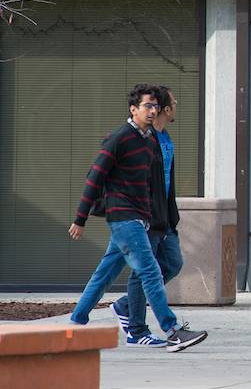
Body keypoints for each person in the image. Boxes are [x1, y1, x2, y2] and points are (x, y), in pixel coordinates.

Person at [67, 84, 208, 352]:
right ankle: (171, 329)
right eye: (147, 106)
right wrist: (80, 218)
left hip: (141, 219)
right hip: (123, 217)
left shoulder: (148, 141)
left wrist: (158, 218)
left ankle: (75, 322)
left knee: (105, 274)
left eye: (155, 106)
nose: (153, 111)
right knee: (150, 271)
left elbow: (152, 185)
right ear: (133, 109)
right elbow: (94, 177)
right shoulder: (120, 138)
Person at [110, 86, 185, 348]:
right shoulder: (144, 138)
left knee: (173, 263)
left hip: (165, 217)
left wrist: (170, 215)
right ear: (165, 108)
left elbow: (167, 182)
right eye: (174, 102)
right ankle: (136, 329)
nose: (177, 105)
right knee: (143, 273)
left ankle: (125, 305)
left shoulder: (166, 138)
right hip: (146, 216)